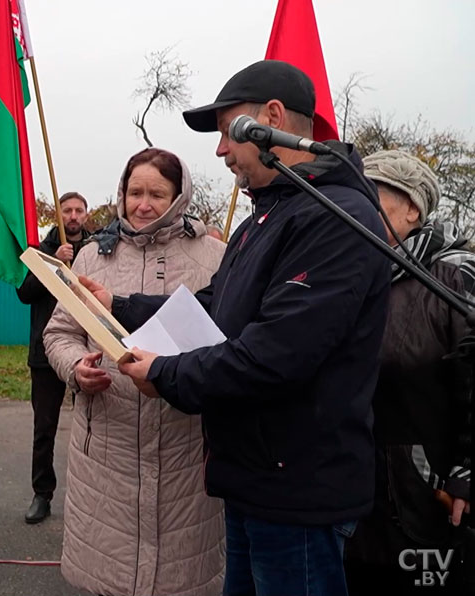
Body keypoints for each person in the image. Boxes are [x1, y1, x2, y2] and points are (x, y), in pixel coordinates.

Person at [80, 60, 392, 596]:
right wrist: (119, 304)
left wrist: (167, 373)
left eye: (228, 132)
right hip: (254, 479)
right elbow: (211, 306)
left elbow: (276, 354)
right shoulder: (266, 219)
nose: (221, 150)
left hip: (296, 493)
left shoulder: (334, 218)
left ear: (271, 118)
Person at [42, 150, 226, 594]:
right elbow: (59, 333)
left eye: (157, 194)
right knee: (108, 578)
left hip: (184, 452)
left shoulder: (216, 256)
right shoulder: (88, 259)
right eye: (134, 192)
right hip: (106, 451)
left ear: (179, 197)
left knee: (182, 581)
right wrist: (74, 368)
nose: (143, 204)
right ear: (121, 195)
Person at [344, 150, 475, 595]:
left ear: (412, 209)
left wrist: (467, 471)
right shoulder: (347, 274)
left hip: (429, 499)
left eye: (371, 195)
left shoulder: (455, 277)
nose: (356, 206)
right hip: (350, 497)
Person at [15, 191, 92, 524]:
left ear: (86, 215)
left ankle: (90, 496)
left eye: (78, 210)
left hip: (88, 352)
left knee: (93, 428)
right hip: (46, 355)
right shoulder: (40, 252)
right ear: (58, 215)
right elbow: (24, 293)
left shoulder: (99, 248)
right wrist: (56, 265)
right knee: (44, 428)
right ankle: (41, 494)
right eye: (67, 211)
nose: (73, 216)